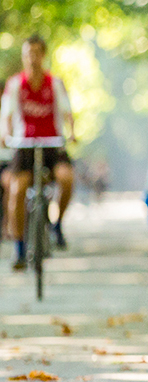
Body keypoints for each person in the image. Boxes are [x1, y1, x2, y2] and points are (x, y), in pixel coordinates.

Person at [2, 35, 76, 266]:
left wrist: (72, 132)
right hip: (24, 145)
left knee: (66, 179)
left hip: (51, 143)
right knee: (17, 191)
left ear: (43, 55)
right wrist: (4, 134)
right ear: (23, 57)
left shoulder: (54, 83)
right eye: (28, 53)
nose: (32, 58)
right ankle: (20, 248)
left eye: (36, 52)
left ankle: (57, 225)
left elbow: (67, 111)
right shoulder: (15, 84)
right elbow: (7, 115)